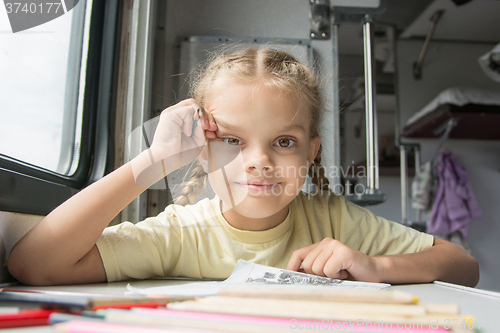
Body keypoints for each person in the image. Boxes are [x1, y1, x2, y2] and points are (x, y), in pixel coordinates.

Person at [8, 48, 479, 287]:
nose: (259, 160)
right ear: (204, 150)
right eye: (232, 140)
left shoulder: (332, 218)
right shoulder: (181, 233)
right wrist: (151, 162)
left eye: (284, 142)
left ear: (311, 153)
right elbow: (35, 264)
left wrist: (376, 265)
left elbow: (464, 266)